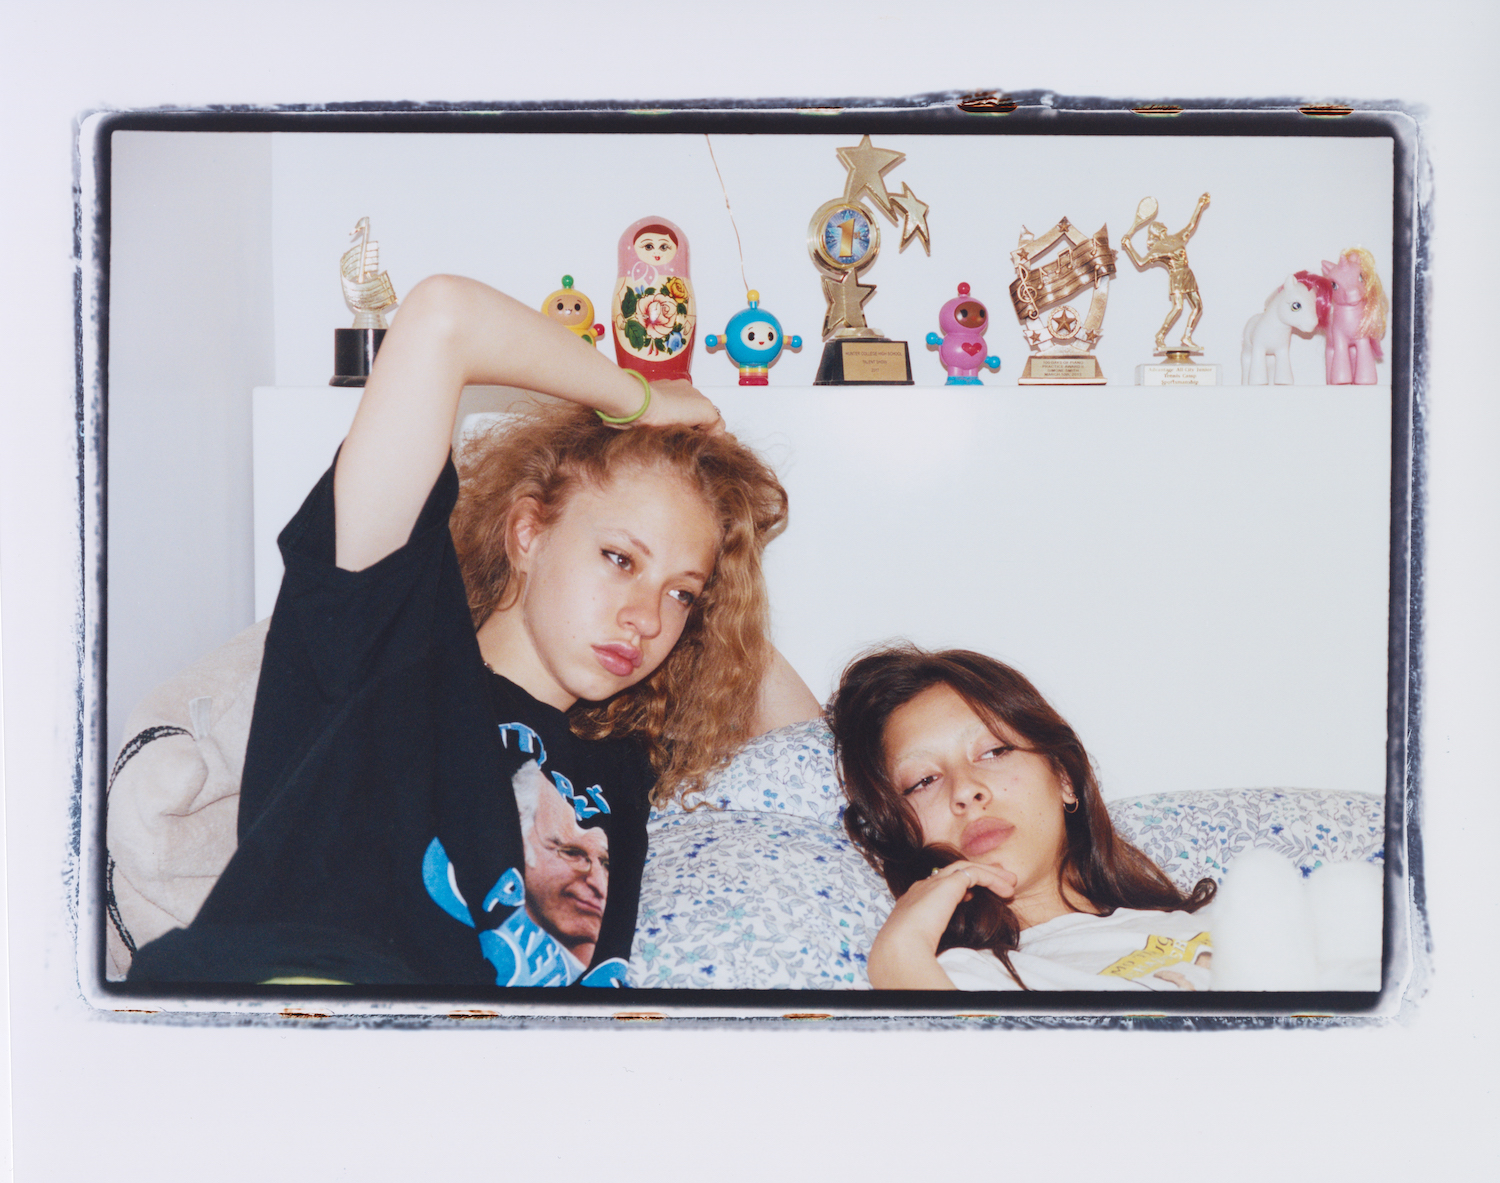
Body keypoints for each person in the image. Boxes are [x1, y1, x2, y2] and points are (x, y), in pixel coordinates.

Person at [128, 274, 818, 988]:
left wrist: (718, 576)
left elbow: (818, 765)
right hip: (302, 1011)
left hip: (498, 1077)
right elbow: (443, 319)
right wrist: (638, 400)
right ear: (527, 531)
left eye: (679, 594)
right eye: (619, 558)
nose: (646, 618)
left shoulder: (621, 767)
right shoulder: (388, 632)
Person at [826, 645, 1215, 991]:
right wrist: (899, 952)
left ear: (1063, 776)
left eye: (994, 752)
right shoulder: (957, 978)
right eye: (924, 781)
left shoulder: (1229, 916)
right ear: (905, 833)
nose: (965, 791)